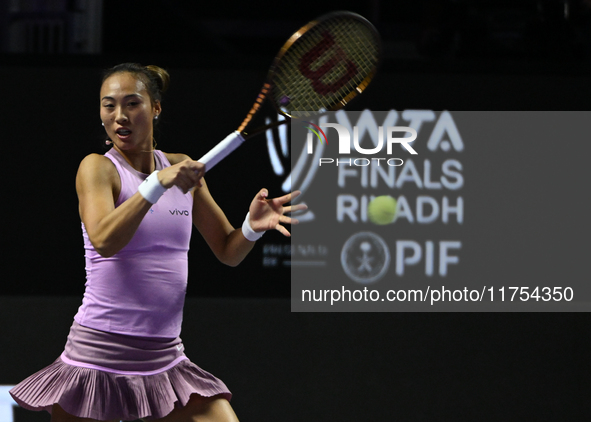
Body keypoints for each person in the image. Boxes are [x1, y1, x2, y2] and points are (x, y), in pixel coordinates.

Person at [9, 63, 305, 422]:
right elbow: (103, 239)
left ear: (156, 108)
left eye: (132, 103)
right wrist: (155, 185)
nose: (120, 116)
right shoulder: (98, 169)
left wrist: (252, 228)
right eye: (109, 105)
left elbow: (229, 251)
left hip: (164, 358)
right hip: (97, 356)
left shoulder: (182, 169)